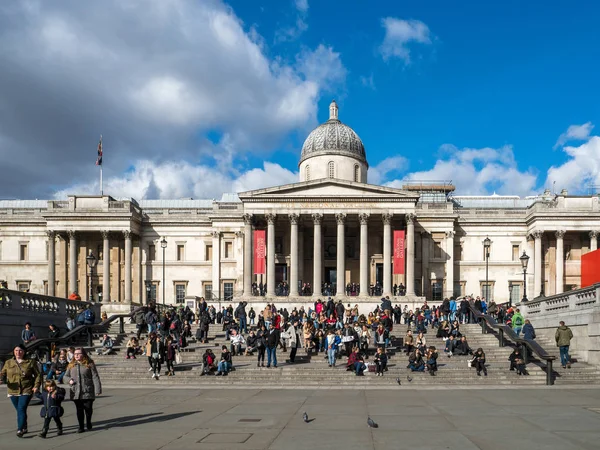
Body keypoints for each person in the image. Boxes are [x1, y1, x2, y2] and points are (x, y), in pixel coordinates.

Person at [0, 344, 42, 437]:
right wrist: (1, 378)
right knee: (20, 410)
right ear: (13, 352)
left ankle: (20, 429)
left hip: (26, 389)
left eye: (20, 351)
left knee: (21, 408)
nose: (18, 352)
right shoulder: (8, 362)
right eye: (16, 351)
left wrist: (36, 386)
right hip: (13, 390)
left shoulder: (30, 362)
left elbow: (38, 375)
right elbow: (3, 373)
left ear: (24, 352)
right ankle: (24, 426)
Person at [66, 348, 102, 433]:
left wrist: (98, 389)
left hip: (87, 390)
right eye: (75, 354)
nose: (77, 355)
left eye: (79, 353)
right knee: (79, 410)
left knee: (88, 408)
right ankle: (81, 426)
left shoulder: (89, 364)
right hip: (76, 391)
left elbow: (95, 376)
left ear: (84, 354)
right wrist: (69, 380)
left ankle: (88, 421)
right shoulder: (71, 365)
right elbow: (65, 376)